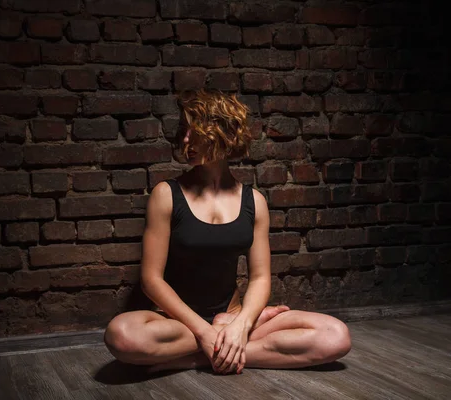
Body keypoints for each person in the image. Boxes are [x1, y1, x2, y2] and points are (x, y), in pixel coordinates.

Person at [104, 89, 351, 375]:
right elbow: (151, 280)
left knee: (336, 335)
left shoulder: (254, 202)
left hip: (231, 317)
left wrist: (243, 323)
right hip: (177, 324)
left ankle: (194, 359)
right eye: (184, 132)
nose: (185, 141)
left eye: (194, 132)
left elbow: (259, 278)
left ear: (221, 133)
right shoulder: (166, 195)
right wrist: (205, 332)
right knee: (122, 334)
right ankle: (221, 346)